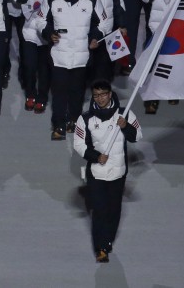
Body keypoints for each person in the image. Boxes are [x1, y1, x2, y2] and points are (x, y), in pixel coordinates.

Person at [72, 80, 141, 263]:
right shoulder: (85, 119)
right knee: (100, 210)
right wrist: (95, 156)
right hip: (96, 173)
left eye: (103, 94)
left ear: (110, 94)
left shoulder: (125, 114)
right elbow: (78, 145)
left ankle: (108, 239)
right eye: (96, 95)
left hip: (118, 172)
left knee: (114, 211)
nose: (100, 99)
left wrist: (126, 126)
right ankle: (101, 247)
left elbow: (137, 136)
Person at [43, 0, 103, 139]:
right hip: (58, 56)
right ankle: (58, 126)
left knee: (77, 92)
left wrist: (95, 37)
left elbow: (103, 22)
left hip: (81, 56)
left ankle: (74, 120)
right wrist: (49, 33)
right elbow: (40, 21)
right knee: (59, 93)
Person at [15, 0, 60, 113]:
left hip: (47, 32)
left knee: (44, 68)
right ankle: (30, 94)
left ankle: (41, 98)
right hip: (29, 30)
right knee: (29, 65)